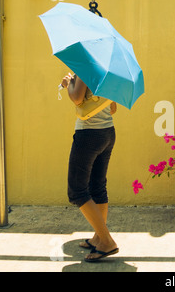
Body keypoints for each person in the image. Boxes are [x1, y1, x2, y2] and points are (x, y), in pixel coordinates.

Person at [60, 73, 119, 262]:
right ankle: (98, 237)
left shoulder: (86, 66)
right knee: (97, 187)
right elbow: (113, 108)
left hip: (88, 134)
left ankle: (107, 241)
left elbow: (77, 99)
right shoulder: (107, 72)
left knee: (77, 191)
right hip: (107, 133)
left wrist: (69, 84)